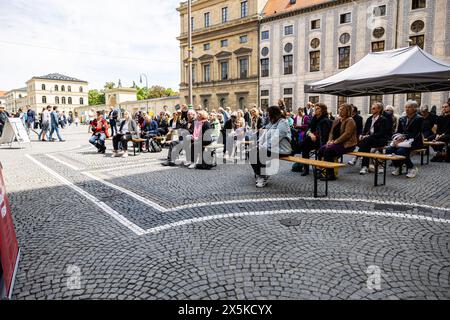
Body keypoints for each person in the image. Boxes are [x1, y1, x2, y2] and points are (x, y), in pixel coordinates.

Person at [251, 105, 292, 188]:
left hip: (282, 149)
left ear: (273, 114)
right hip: (272, 148)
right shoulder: (274, 123)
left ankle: (263, 176)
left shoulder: (283, 122)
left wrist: (263, 147)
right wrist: (259, 144)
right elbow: (266, 133)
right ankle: (260, 174)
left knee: (261, 153)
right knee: (252, 152)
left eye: (269, 113)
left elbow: (276, 138)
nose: (268, 115)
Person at [318, 103, 358, 181]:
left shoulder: (350, 120)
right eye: (339, 109)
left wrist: (335, 142)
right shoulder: (337, 120)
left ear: (348, 111)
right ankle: (322, 171)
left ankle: (331, 174)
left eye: (342, 109)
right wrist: (329, 141)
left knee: (328, 151)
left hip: (347, 144)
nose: (340, 110)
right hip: (335, 143)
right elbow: (331, 132)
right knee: (321, 150)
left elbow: (347, 134)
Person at [386, 101, 424, 178]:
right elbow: (398, 131)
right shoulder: (402, 118)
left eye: (409, 107)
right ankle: (398, 167)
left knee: (401, 151)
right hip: (403, 141)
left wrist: (403, 137)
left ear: (414, 108)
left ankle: (411, 168)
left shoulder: (419, 118)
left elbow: (416, 133)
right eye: (406, 107)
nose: (407, 109)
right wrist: (396, 138)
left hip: (415, 141)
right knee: (389, 149)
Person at [356, 102, 390, 175]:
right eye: (372, 108)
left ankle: (359, 160)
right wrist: (361, 135)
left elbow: (382, 133)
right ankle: (365, 166)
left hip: (379, 140)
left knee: (366, 141)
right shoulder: (369, 119)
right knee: (366, 145)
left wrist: (369, 136)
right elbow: (364, 130)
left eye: (374, 108)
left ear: (379, 109)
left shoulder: (383, 119)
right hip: (368, 140)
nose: (372, 109)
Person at [300, 103, 332, 176]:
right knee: (305, 147)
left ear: (322, 110)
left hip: (322, 142)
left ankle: (296, 148)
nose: (315, 110)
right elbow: (309, 128)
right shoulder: (314, 118)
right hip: (313, 140)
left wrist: (314, 135)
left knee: (304, 144)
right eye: (315, 108)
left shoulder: (325, 120)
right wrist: (310, 134)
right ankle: (306, 169)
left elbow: (324, 136)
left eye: (318, 108)